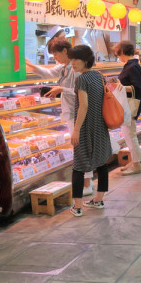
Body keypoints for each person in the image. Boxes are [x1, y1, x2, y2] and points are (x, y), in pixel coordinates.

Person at [26, 38, 94, 197]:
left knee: (81, 147)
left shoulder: (75, 67)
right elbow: (49, 73)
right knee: (80, 147)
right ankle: (87, 182)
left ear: (65, 51)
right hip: (71, 112)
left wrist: (62, 89)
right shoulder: (65, 66)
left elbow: (81, 92)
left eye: (56, 53)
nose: (54, 57)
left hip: (78, 113)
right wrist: (30, 66)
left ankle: (88, 184)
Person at [68, 45, 112, 217]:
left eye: (75, 59)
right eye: (71, 59)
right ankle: (98, 199)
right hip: (100, 125)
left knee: (78, 165)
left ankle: (78, 206)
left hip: (86, 127)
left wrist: (76, 130)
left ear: (85, 60)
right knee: (101, 162)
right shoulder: (98, 75)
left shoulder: (81, 79)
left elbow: (83, 106)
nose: (72, 63)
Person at [114, 41, 141, 176]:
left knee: (130, 135)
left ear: (122, 52)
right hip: (128, 105)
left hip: (131, 105)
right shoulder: (132, 65)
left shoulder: (132, 67)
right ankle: (134, 162)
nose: (118, 57)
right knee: (129, 134)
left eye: (118, 54)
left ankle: (136, 164)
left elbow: (136, 87)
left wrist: (120, 86)